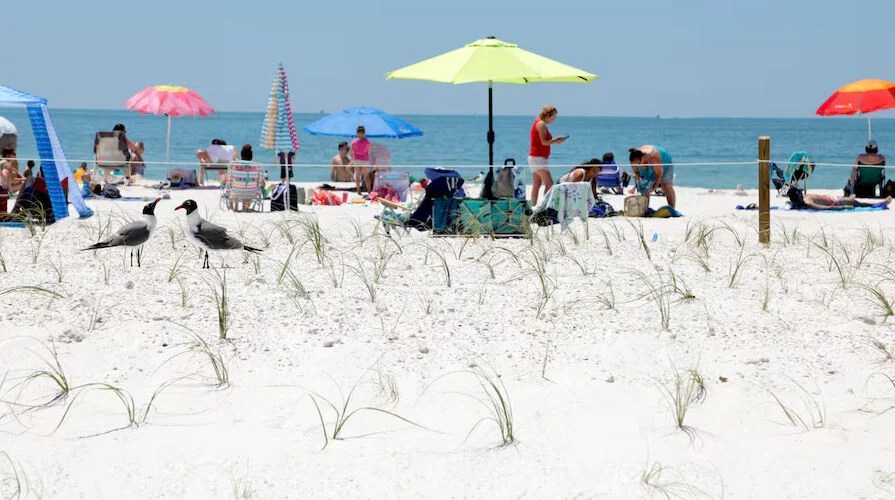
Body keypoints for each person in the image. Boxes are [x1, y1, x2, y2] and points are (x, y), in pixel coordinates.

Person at [529, 105, 566, 205]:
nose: (553, 120)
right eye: (553, 117)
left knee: (537, 183)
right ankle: (543, 206)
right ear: (548, 115)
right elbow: (544, 142)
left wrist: (555, 140)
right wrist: (556, 141)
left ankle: (533, 206)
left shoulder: (538, 122)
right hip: (538, 158)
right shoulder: (541, 124)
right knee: (549, 184)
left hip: (536, 157)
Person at [787, 187, 891, 210]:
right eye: (800, 193)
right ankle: (879, 203)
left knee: (853, 200)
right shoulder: (808, 202)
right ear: (799, 196)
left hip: (832, 198)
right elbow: (823, 208)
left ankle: (849, 198)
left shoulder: (803, 199)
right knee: (855, 202)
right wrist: (843, 207)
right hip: (834, 201)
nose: (802, 193)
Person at [351, 125, 372, 194]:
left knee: (358, 175)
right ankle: (369, 191)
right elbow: (369, 151)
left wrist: (352, 157)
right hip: (365, 159)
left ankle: (359, 191)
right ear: (364, 133)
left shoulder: (354, 142)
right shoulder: (368, 142)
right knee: (366, 176)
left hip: (356, 159)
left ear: (357, 133)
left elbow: (351, 151)